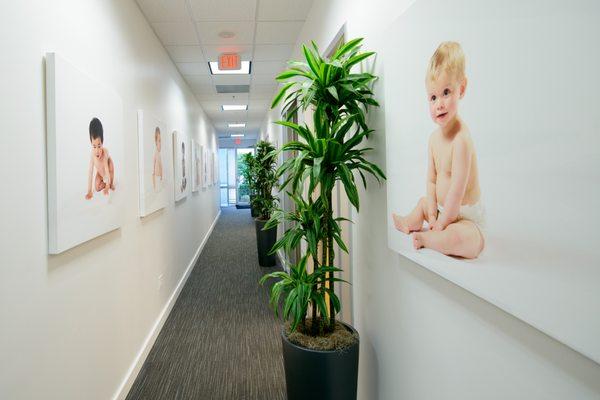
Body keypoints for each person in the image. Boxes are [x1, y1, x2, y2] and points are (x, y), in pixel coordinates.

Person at [392, 42, 485, 259]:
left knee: (464, 240)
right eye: (433, 97)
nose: (439, 104)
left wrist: (440, 224)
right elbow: (431, 180)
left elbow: (456, 192)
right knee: (423, 203)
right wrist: (433, 213)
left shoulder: (461, 140)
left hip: (465, 217)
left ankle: (429, 239)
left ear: (461, 89)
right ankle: (409, 222)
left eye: (446, 93)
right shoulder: (433, 139)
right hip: (444, 210)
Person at [85, 118, 115, 199]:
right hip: (101, 173)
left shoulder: (104, 153)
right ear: (91, 142)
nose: (97, 150)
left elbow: (106, 169)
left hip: (108, 170)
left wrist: (108, 185)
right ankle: (104, 183)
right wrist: (89, 191)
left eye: (99, 146)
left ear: (102, 142)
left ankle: (110, 183)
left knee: (110, 166)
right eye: (94, 146)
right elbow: (90, 172)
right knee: (97, 188)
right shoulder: (92, 155)